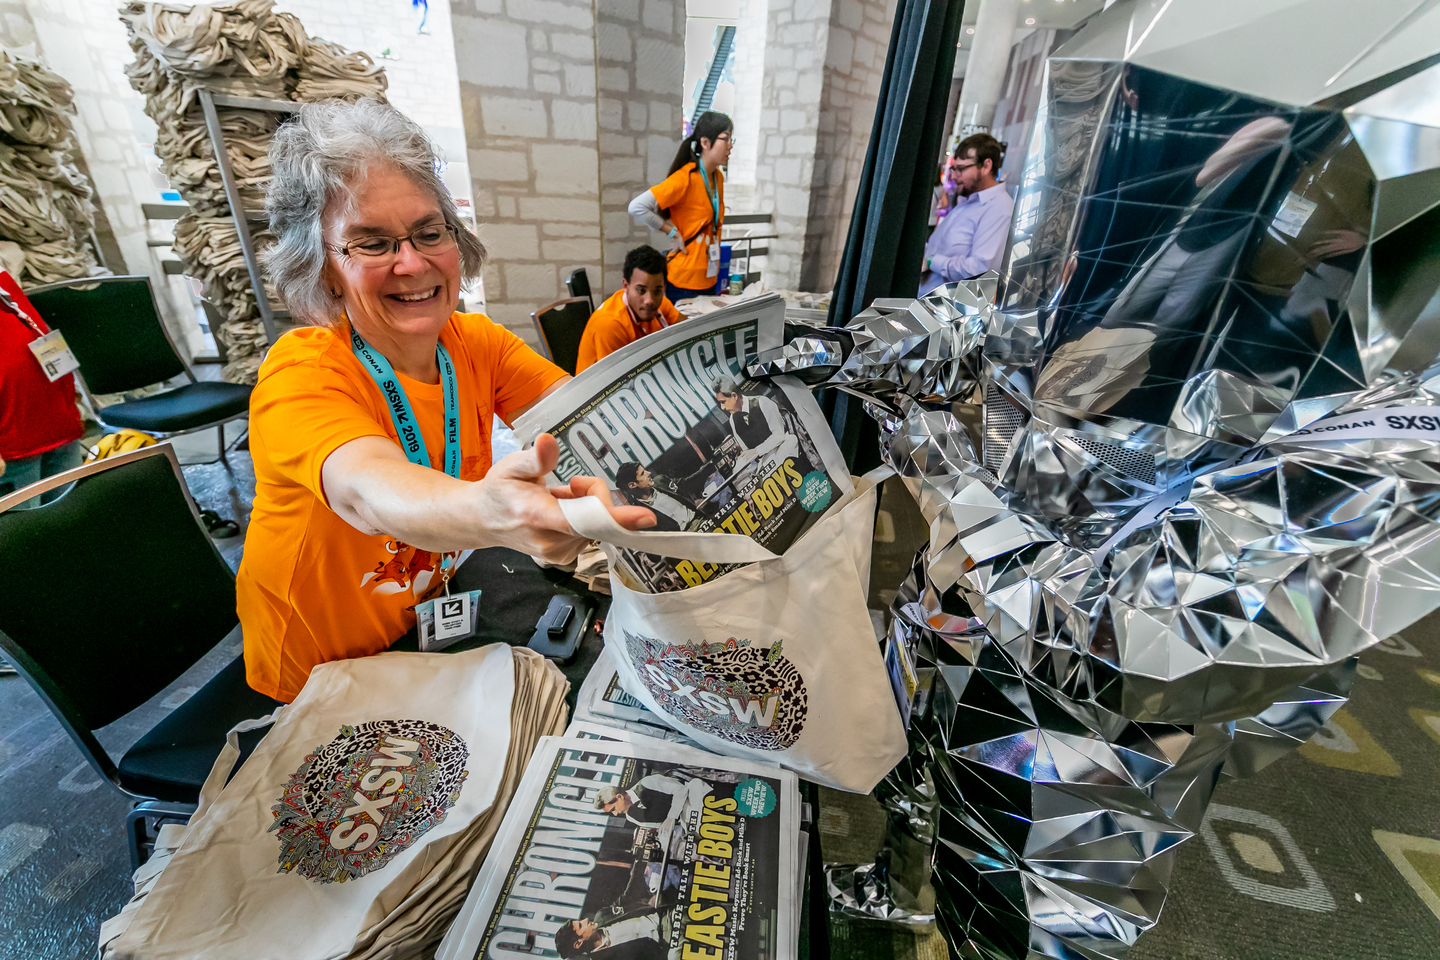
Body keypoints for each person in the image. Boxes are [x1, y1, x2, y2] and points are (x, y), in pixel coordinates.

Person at [238, 99, 655, 702]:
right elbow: (370, 489)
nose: (412, 263)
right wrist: (492, 512)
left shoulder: (478, 344)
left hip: (427, 625)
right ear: (323, 269)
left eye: (429, 233)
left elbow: (595, 418)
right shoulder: (300, 374)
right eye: (371, 243)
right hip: (322, 672)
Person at [0, 270, 84, 510]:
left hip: (58, 426)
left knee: (75, 516)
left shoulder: (3, 282)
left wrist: (69, 403)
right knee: (27, 528)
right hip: (12, 448)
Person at [627, 111, 732, 302]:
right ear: (705, 143)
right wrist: (673, 233)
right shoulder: (686, 178)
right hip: (684, 282)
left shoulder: (718, 178)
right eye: (725, 139)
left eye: (731, 139)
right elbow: (637, 206)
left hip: (709, 278)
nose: (730, 146)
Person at [918, 133, 1015, 296]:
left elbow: (980, 270)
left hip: (946, 307)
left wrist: (931, 261)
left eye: (961, 169)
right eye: (953, 169)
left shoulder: (999, 208)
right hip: (926, 297)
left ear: (986, 166)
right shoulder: (968, 202)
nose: (954, 176)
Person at [575, 245, 681, 373]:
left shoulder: (662, 304)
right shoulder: (609, 325)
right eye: (641, 290)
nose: (649, 300)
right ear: (626, 286)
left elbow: (687, 333)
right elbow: (617, 380)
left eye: (657, 291)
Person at [712, 377, 798, 471]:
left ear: (734, 396)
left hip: (785, 451)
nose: (723, 407)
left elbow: (779, 435)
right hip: (765, 463)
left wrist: (757, 451)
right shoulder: (733, 420)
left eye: (723, 402)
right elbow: (747, 452)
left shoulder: (762, 402)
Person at [595, 773, 713, 838]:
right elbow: (663, 828)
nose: (615, 814)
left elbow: (681, 790)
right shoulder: (631, 816)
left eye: (613, 809)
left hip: (695, 798)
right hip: (690, 823)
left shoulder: (646, 783)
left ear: (619, 797)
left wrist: (671, 817)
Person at [614, 462, 693, 532]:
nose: (649, 473)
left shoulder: (661, 481)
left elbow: (686, 482)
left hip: (697, 518)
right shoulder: (640, 515)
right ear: (632, 485)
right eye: (642, 473)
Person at [556, 911, 668, 960]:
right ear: (578, 943)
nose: (585, 920)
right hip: (667, 949)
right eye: (580, 926)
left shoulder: (602, 915)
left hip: (664, 916)